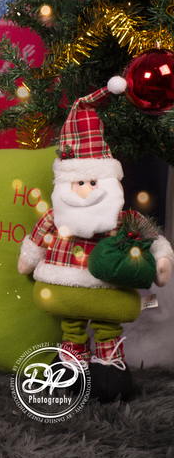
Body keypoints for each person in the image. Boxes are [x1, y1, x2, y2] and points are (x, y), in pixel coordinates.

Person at [18, 79, 173, 402]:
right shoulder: (58, 216)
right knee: (72, 329)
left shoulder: (120, 217)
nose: (85, 189)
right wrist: (27, 260)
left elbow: (152, 236)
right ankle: (72, 367)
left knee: (106, 329)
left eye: (91, 181)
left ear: (107, 179)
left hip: (107, 289)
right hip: (65, 285)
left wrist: (162, 259)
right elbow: (36, 239)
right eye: (78, 182)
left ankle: (108, 368)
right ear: (64, 182)